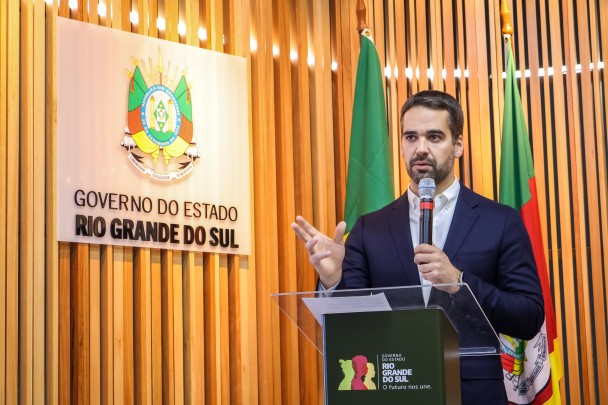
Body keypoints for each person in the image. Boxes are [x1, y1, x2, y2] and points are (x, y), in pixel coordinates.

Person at [291, 90, 544, 405]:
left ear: (458, 145)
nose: (420, 148)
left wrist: (459, 282)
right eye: (411, 137)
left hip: (474, 395)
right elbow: (351, 328)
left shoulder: (500, 221)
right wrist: (333, 282)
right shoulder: (370, 228)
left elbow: (529, 316)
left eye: (434, 137)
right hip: (392, 392)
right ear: (400, 145)